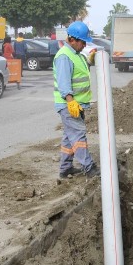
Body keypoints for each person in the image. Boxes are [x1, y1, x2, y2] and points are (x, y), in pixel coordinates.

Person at [53, 21, 100, 179]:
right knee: (78, 136)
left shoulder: (77, 55)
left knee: (69, 137)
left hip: (76, 104)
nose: (84, 44)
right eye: (82, 41)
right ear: (72, 39)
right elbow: (63, 82)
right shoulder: (64, 57)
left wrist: (92, 60)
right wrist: (70, 100)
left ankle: (65, 169)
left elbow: (81, 71)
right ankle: (89, 167)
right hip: (69, 104)